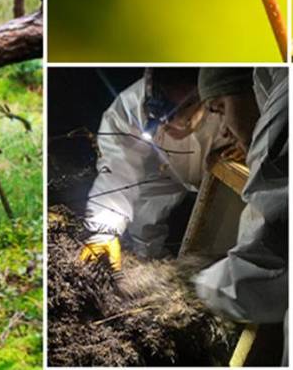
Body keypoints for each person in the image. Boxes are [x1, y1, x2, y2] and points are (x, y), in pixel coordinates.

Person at [80, 68, 234, 269]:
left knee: (226, 235)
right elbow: (117, 170)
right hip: (166, 167)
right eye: (160, 111)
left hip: (220, 171)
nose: (168, 122)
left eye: (180, 110)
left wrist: (246, 142)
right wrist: (103, 232)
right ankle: (147, 264)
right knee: (144, 217)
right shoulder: (129, 109)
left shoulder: (230, 100)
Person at [194, 67, 288, 364]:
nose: (222, 130)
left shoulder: (284, 117)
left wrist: (193, 285)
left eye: (220, 109)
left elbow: (264, 267)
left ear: (248, 89)